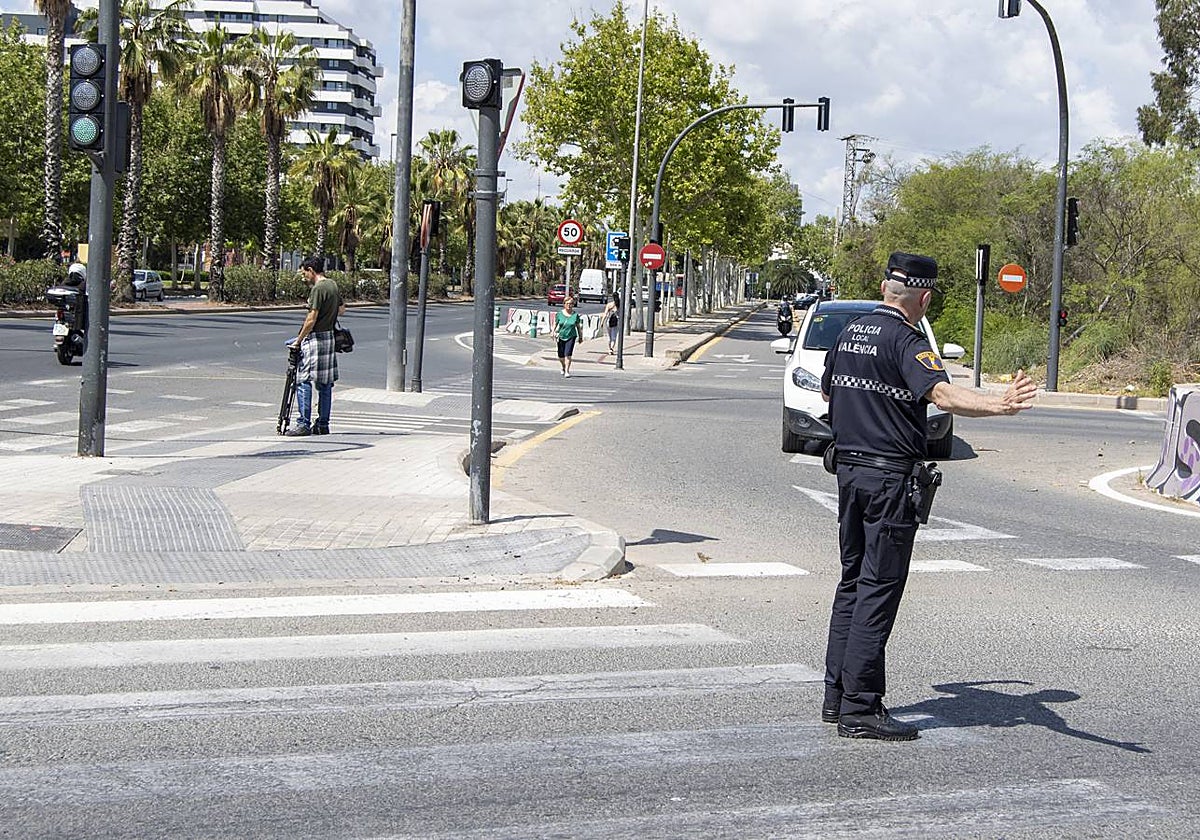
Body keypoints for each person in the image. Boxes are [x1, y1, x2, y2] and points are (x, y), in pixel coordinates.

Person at [820, 251, 1037, 742]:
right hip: (888, 481)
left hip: (849, 473)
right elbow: (941, 395)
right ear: (924, 296)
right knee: (879, 588)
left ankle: (836, 697)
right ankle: (861, 709)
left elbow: (832, 397)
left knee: (852, 583)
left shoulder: (847, 332)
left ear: (883, 289)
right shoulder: (907, 340)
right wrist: (998, 405)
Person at [286, 255, 345, 436]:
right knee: (325, 384)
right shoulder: (333, 285)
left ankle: (303, 423)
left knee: (303, 380)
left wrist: (299, 340)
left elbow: (311, 319)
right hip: (329, 337)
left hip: (315, 339)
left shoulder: (318, 289)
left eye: (305, 273)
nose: (304, 277)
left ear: (311, 270)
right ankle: (323, 424)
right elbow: (342, 309)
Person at [554, 295, 584, 377]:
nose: (569, 305)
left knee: (568, 354)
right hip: (561, 336)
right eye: (567, 303)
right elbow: (555, 324)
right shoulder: (559, 314)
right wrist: (553, 332)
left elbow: (578, 327)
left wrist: (580, 337)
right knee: (561, 356)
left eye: (571, 303)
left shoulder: (575, 315)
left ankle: (567, 370)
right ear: (564, 304)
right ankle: (563, 366)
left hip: (571, 336)